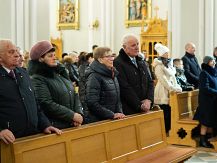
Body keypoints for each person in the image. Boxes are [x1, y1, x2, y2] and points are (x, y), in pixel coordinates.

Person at [0, 39, 62, 144]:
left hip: (31, 135)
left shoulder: (23, 73)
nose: (17, 55)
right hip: (9, 140)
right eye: (11, 52)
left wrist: (45, 125)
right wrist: (0, 130)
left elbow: (34, 103)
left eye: (16, 51)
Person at [28, 40, 83, 129]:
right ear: (40, 59)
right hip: (56, 125)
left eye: (54, 55)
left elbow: (74, 93)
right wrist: (72, 115)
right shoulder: (37, 78)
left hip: (71, 123)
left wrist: (78, 113)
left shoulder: (59, 73)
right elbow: (46, 103)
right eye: (50, 56)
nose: (54, 58)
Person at [114, 34, 154, 115]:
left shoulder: (141, 61)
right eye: (133, 45)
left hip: (146, 106)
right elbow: (124, 87)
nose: (137, 47)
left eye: (137, 44)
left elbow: (150, 82)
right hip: (129, 109)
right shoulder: (118, 63)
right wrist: (139, 105)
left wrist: (149, 100)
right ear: (124, 47)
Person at [85, 47, 125, 123]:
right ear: (100, 60)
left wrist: (119, 112)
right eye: (108, 56)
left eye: (112, 56)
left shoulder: (112, 73)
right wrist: (111, 115)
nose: (112, 58)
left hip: (113, 118)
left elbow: (117, 98)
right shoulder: (94, 76)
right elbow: (92, 102)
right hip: (99, 120)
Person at [153, 43, 182, 134]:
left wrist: (176, 86)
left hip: (171, 89)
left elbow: (173, 77)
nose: (167, 54)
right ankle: (163, 132)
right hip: (163, 90)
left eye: (168, 53)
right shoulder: (158, 64)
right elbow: (162, 79)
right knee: (164, 112)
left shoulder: (169, 64)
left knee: (170, 112)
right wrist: (171, 88)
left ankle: (169, 131)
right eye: (166, 53)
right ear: (161, 54)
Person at [194, 56, 217, 148]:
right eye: (212, 61)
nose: (214, 62)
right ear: (207, 62)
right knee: (205, 121)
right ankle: (202, 140)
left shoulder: (214, 72)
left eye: (214, 61)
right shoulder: (204, 73)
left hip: (213, 100)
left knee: (210, 120)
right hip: (206, 101)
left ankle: (208, 138)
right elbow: (204, 88)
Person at [78, 52, 94, 123]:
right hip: (84, 93)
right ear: (90, 58)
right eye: (93, 58)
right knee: (87, 114)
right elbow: (84, 79)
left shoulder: (89, 66)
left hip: (86, 93)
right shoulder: (83, 67)